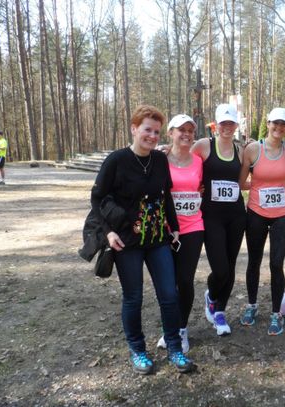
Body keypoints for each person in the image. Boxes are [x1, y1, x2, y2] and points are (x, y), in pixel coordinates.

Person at [90, 105, 195, 374]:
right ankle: (137, 350)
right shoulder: (116, 160)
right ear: (134, 129)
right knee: (133, 297)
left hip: (158, 239)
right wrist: (108, 232)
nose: (152, 136)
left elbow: (166, 196)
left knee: (169, 295)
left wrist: (174, 227)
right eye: (147, 130)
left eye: (157, 132)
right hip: (127, 242)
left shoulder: (159, 160)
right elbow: (97, 198)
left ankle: (174, 347)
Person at [238, 108, 285, 335]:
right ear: (268, 123)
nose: (278, 128)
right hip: (256, 213)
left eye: (283, 124)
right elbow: (241, 182)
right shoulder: (253, 149)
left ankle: (276, 313)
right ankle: (252, 305)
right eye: (275, 123)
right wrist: (258, 186)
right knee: (254, 261)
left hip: (282, 215)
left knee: (276, 264)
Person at [191, 103, 246, 336]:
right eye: (223, 123)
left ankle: (220, 312)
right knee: (220, 268)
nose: (227, 127)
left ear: (236, 125)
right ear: (216, 125)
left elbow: (242, 182)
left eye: (231, 123)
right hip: (211, 216)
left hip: (236, 215)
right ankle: (211, 296)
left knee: (231, 265)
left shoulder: (241, 150)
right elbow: (182, 162)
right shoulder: (204, 145)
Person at [156, 114, 204, 354]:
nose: (186, 134)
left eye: (190, 130)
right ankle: (169, 329)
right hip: (164, 230)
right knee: (167, 284)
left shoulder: (199, 161)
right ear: (170, 133)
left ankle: (181, 329)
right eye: (181, 130)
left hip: (193, 227)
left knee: (184, 281)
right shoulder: (160, 159)